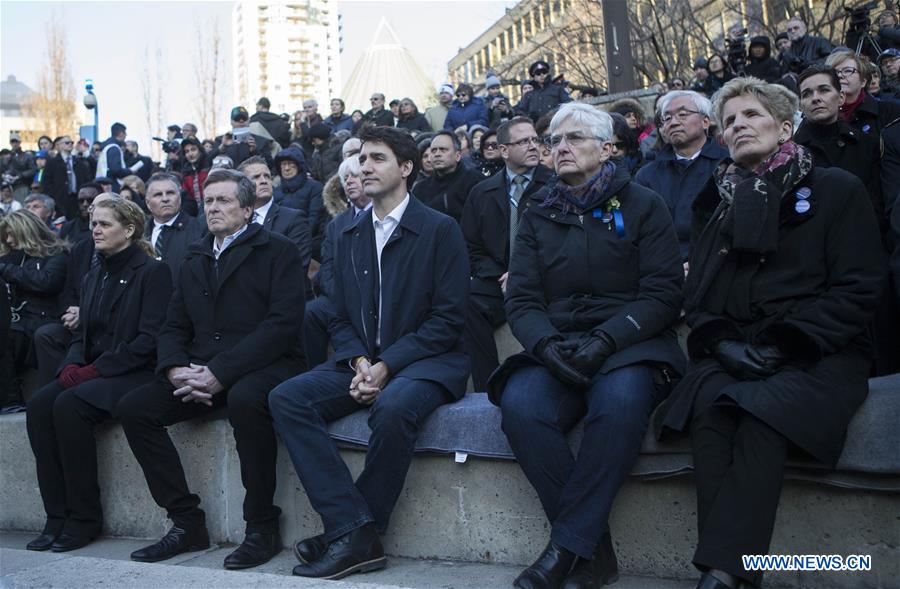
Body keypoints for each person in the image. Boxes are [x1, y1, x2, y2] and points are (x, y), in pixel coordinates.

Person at [655, 77, 885, 589]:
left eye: (752, 115)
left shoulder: (835, 189)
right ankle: (733, 573)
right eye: (729, 121)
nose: (738, 125)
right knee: (710, 408)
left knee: (760, 412)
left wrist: (787, 342)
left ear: (785, 128)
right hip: (738, 349)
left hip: (818, 348)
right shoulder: (715, 201)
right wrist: (723, 343)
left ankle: (721, 576)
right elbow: (700, 297)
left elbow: (859, 286)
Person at [487, 103, 685, 589]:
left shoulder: (643, 204)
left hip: (631, 342)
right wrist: (544, 345)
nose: (560, 147)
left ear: (607, 148)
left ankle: (566, 549)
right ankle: (593, 554)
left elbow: (663, 294)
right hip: (559, 342)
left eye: (574, 138)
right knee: (522, 406)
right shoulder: (538, 211)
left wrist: (608, 338)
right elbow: (523, 299)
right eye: (554, 141)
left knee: (619, 404)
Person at [268, 125, 470, 581]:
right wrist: (361, 362)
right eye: (362, 159)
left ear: (406, 168)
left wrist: (386, 366)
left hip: (426, 362)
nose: (365, 167)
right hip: (362, 362)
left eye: (378, 158)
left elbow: (447, 320)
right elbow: (337, 315)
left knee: (393, 407)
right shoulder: (345, 230)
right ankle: (352, 526)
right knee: (287, 397)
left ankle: (354, 536)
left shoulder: (440, 229)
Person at [117, 168, 306, 568]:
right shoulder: (195, 254)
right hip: (202, 370)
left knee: (245, 400)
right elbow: (173, 325)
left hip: (265, 365)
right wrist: (174, 369)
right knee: (135, 408)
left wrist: (220, 372)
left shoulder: (279, 250)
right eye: (209, 201)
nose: (213, 208)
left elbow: (282, 326)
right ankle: (186, 522)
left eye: (224, 201)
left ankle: (261, 527)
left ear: (248, 209)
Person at [25, 198, 172, 553]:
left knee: (69, 406)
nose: (96, 230)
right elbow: (82, 335)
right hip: (96, 370)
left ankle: (84, 518)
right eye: (94, 223)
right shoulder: (94, 274)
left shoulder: (153, 272)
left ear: (130, 230)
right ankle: (56, 516)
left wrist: (94, 370)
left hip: (135, 372)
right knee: (39, 405)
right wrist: (71, 364)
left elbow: (149, 341)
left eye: (105, 224)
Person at [461, 117, 553, 390]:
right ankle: (487, 387)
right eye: (524, 141)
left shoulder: (556, 186)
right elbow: (471, 247)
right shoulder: (481, 192)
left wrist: (522, 273)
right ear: (503, 150)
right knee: (466, 301)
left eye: (535, 139)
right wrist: (500, 275)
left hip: (546, 279)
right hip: (497, 281)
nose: (534, 146)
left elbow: (563, 244)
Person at [634, 90, 728, 264]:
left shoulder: (728, 164)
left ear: (705, 121)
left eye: (683, 114)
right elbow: (642, 231)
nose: (674, 122)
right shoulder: (647, 175)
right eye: (667, 118)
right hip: (666, 266)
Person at [304, 157, 372, 368]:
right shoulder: (336, 225)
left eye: (355, 175)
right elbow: (327, 269)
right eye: (345, 178)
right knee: (311, 312)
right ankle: (316, 370)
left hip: (375, 296)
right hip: (341, 296)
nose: (349, 181)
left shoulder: (382, 216)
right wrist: (343, 298)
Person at [0, 210, 69, 412]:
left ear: (26, 231)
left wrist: (5, 269)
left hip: (45, 321)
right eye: (6, 236)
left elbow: (46, 282)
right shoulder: (16, 258)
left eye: (12, 234)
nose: (9, 240)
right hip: (20, 321)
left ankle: (11, 399)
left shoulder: (57, 254)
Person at [795, 65, 884, 221]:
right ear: (801, 105)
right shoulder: (790, 154)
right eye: (807, 94)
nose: (815, 98)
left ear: (841, 97)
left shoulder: (868, 146)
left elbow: (876, 208)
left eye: (824, 90)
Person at [237, 156, 311, 275]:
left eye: (267, 176)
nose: (264, 181)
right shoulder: (235, 221)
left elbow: (297, 268)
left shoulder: (294, 219)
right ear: (242, 186)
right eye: (256, 177)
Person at [143, 173, 207, 277]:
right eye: (158, 194)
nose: (165, 199)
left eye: (170, 193)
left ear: (180, 197)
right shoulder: (139, 235)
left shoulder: (200, 229)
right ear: (147, 203)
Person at [826, 50, 900, 138]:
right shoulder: (819, 116)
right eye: (834, 72)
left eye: (848, 71)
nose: (840, 75)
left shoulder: (890, 112)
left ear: (863, 81)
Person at [413, 131, 484, 223]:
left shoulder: (475, 181)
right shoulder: (420, 189)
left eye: (443, 150)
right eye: (433, 150)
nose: (437, 154)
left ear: (457, 156)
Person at [272, 145, 324, 263]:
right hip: (279, 245)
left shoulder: (315, 188)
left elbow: (314, 218)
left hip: (306, 244)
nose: (286, 168)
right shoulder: (275, 192)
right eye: (283, 164)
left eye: (290, 164)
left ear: (299, 166)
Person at [96, 123, 139, 190]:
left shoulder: (106, 147)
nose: (126, 136)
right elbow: (115, 170)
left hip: (102, 182)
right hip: (111, 185)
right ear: (121, 134)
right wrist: (130, 171)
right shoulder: (114, 148)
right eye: (125, 133)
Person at [180, 137, 210, 215]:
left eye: (193, 149)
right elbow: (187, 197)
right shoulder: (186, 173)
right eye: (187, 151)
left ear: (200, 150)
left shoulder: (210, 167)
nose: (190, 154)